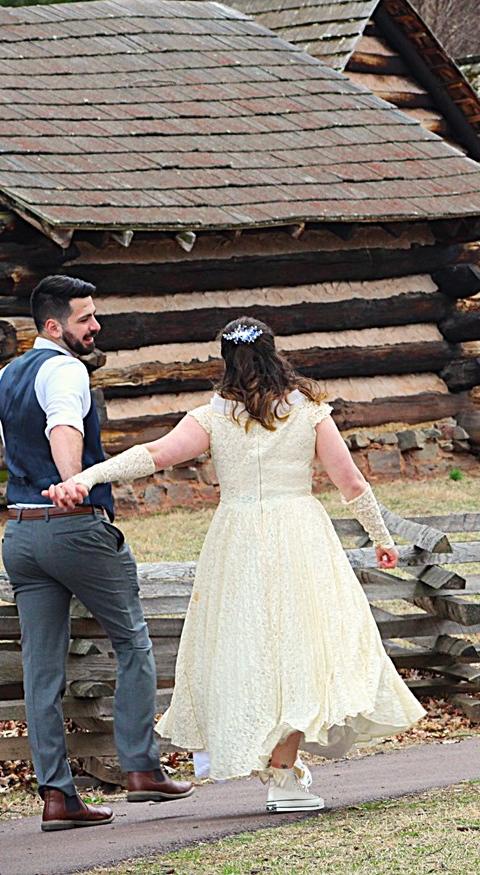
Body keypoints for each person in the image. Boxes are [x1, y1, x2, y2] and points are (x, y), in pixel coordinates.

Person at [44, 315, 426, 813]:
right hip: (299, 534)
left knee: (255, 648)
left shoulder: (213, 416)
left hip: (238, 537)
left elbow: (153, 454)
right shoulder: (308, 410)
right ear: (273, 354)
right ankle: (284, 776)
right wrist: (382, 537)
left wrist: (88, 477)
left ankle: (281, 768)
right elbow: (350, 482)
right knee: (298, 644)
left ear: (226, 360)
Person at [0, 274, 193, 832]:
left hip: (21, 534)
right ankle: (141, 769)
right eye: (85, 318)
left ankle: (57, 796)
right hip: (73, 527)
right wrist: (72, 482)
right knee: (132, 640)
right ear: (53, 326)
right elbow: (61, 427)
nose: (95, 325)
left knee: (40, 668)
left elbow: (14, 445)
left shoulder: (6, 375)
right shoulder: (65, 369)